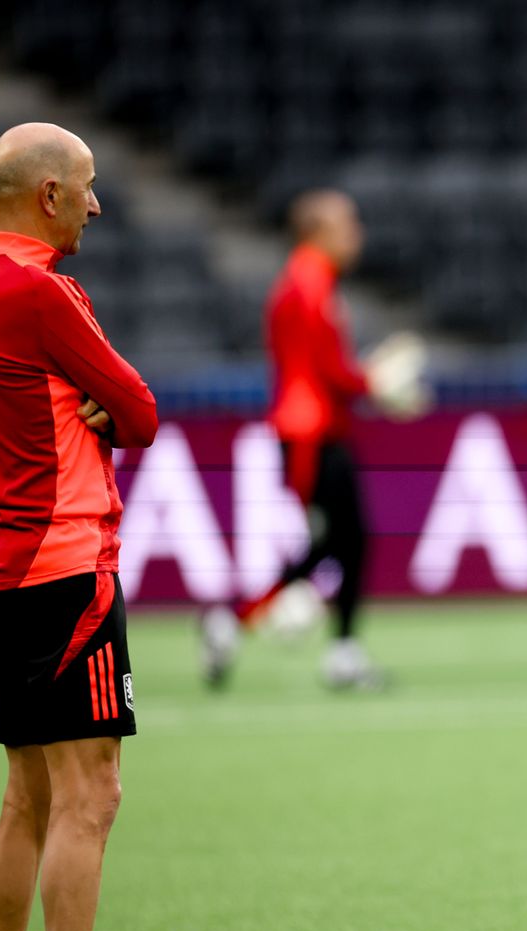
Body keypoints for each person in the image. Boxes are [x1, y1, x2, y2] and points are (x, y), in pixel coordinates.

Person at [0, 122, 187, 931]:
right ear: (46, 194)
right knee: (94, 794)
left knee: (26, 798)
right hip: (68, 569)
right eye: (85, 187)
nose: (96, 203)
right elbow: (141, 410)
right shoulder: (44, 291)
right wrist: (104, 406)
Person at [200, 189, 420, 690]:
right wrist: (380, 383)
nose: (356, 236)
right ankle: (254, 627)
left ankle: (245, 626)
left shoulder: (305, 281)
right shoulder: (310, 283)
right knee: (342, 540)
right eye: (348, 225)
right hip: (309, 434)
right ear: (319, 231)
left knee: (342, 541)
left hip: (315, 430)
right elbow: (332, 373)